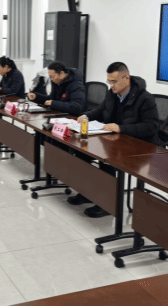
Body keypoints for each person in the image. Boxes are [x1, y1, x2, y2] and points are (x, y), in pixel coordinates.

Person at [69, 62, 162, 218]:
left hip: (139, 145)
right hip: (115, 139)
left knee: (107, 159)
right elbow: (101, 110)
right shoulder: (112, 93)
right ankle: (86, 193)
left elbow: (152, 126)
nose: (111, 85)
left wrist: (121, 128)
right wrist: (87, 116)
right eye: (109, 81)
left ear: (127, 78)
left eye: (114, 81)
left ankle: (107, 203)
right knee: (82, 152)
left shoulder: (145, 98)